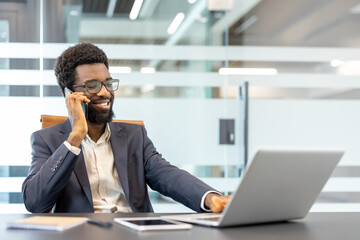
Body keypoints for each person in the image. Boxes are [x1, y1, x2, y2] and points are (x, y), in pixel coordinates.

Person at [22, 43, 229, 213]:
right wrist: (75, 138)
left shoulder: (134, 136)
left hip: (135, 232)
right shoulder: (46, 140)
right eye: (92, 86)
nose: (105, 93)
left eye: (108, 83)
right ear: (70, 95)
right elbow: (35, 202)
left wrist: (210, 198)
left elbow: (166, 175)